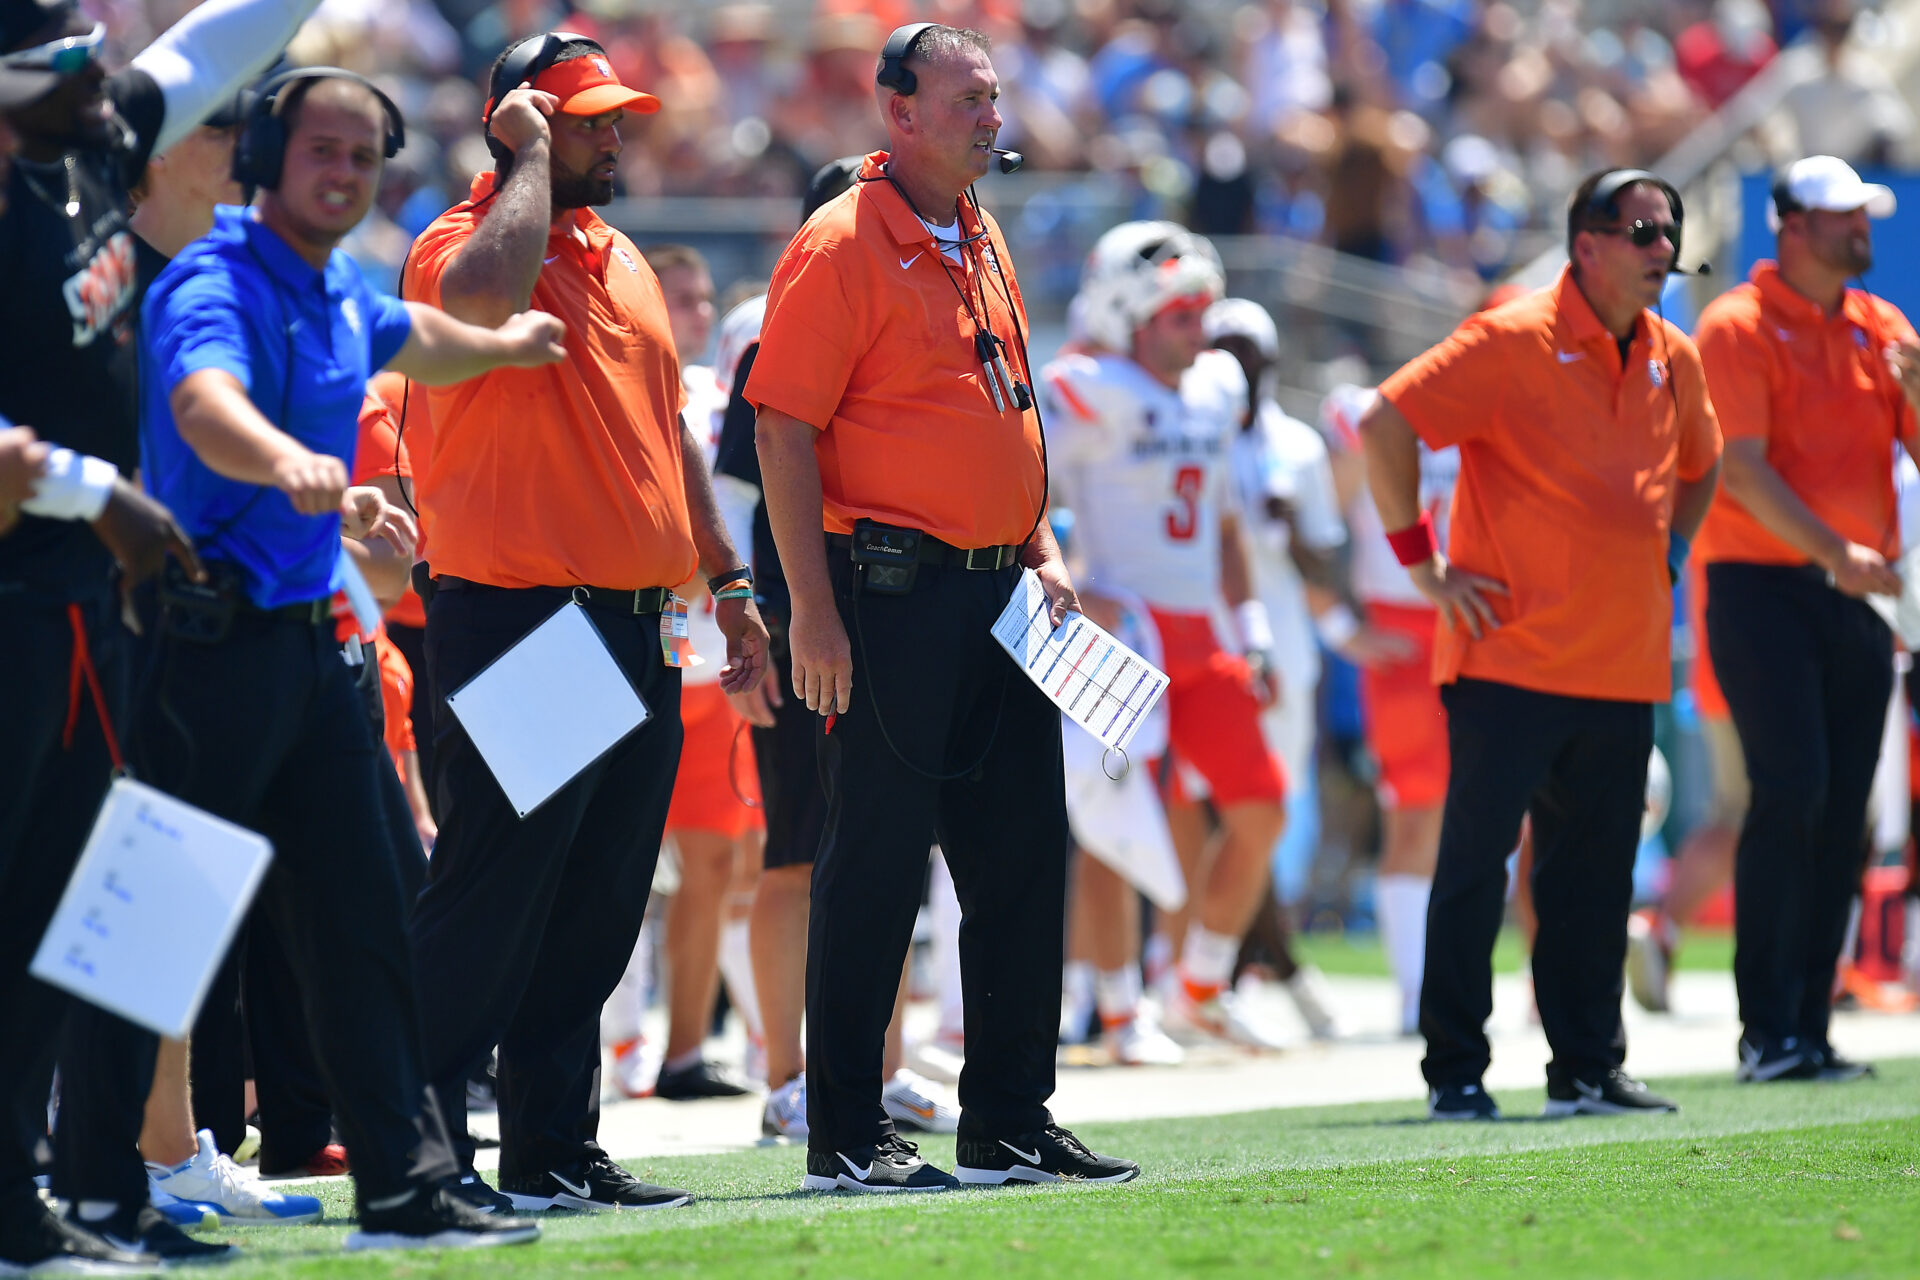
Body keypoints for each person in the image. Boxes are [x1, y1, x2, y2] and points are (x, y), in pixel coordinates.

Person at [137, 65, 566, 1251]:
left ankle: (401, 1188)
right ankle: (89, 1182)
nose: (343, 173)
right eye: (321, 150)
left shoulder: (332, 286)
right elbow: (202, 402)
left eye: (362, 157)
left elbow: (414, 335)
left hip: (314, 652)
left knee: (369, 920)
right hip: (203, 649)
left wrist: (506, 343)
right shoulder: (213, 277)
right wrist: (284, 460)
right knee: (163, 921)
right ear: (264, 161)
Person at [748, 22, 1136, 1192]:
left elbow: (1007, 413)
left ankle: (1011, 1116)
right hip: (888, 594)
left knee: (1022, 860)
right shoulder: (839, 242)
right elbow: (781, 426)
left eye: (994, 96)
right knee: (871, 864)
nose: (990, 117)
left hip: (1000, 597)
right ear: (898, 112)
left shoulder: (979, 230)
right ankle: (847, 1132)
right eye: (967, 99)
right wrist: (810, 614)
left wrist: (1044, 542)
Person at [402, 30, 766, 1214]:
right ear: (524, 125)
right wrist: (522, 166)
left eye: (615, 116)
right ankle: (420, 1145)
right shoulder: (468, 239)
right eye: (586, 118)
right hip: (525, 618)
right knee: (493, 896)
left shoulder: (625, 259)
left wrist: (733, 587)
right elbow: (479, 302)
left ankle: (554, 1143)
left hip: (633, 623)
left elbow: (671, 444)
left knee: (600, 902)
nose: (616, 132)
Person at [0, 0, 327, 1267]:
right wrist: (101, 493)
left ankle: (24, 1199)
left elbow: (210, 52)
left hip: (81, 609)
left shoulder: (80, 149)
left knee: (58, 911)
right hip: (26, 595)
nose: (113, 86)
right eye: (77, 67)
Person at [1359, 168, 1722, 1120]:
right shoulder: (1509, 336)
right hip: (1506, 660)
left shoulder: (1673, 353)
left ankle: (1589, 1066)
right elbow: (1385, 423)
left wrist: (1672, 550)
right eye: (1642, 231)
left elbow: (1705, 463)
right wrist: (1423, 565)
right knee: (1476, 871)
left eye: (1669, 232)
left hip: (1623, 660)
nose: (1661, 249)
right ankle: (1455, 1072)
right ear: (1586, 244)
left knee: (1597, 880)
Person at [710, 157, 958, 1142]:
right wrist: (752, 613)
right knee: (797, 852)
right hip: (801, 616)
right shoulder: (782, 331)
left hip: (892, 619)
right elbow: (737, 489)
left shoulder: (909, 323)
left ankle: (877, 1063)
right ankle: (786, 1070)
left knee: (885, 848)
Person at [1693, 155, 1918, 1083]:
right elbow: (1741, 468)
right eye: (1843, 217)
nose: (1863, 229)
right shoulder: (1736, 325)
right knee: (1792, 791)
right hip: (1762, 586)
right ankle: (1766, 1029)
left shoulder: (1881, 328)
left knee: (1845, 812)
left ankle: (1808, 1029)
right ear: (1792, 225)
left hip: (1856, 592)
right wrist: (1836, 552)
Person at [1040, 224, 1289, 1054]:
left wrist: (1250, 630)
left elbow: (1223, 524)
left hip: (1198, 630)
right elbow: (1026, 489)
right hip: (1119, 630)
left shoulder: (1218, 386)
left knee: (1261, 808)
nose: (1200, 331)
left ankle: (1199, 984)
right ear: (1129, 316)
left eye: (1202, 313)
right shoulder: (1087, 386)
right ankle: (1119, 1012)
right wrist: (1071, 573)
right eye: (1180, 315)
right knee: (1113, 823)